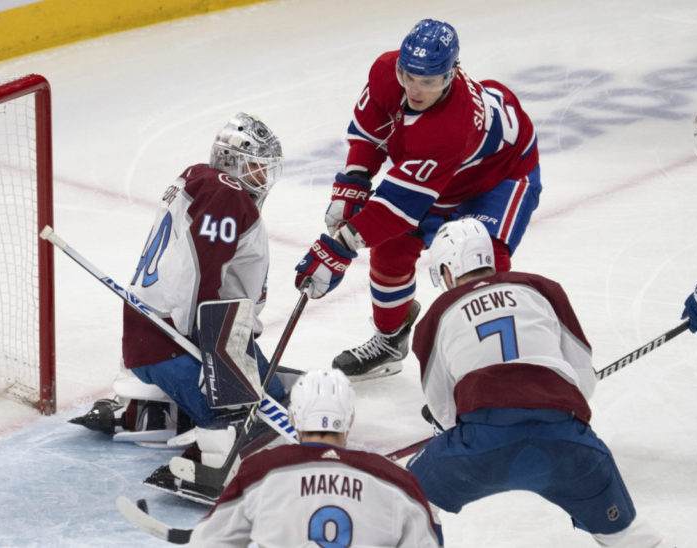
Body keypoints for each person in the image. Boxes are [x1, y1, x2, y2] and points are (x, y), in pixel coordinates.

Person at [294, 18, 541, 382]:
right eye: (408, 76)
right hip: (441, 176)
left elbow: (397, 208)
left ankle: (493, 372)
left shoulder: (451, 128)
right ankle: (391, 342)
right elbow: (368, 131)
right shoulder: (384, 72)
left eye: (428, 81)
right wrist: (354, 182)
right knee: (390, 254)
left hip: (499, 174)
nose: (415, 89)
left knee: (479, 265)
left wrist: (338, 247)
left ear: (452, 75)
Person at [405, 217, 666, 546]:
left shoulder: (437, 314)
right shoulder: (541, 288)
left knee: (408, 498)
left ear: (448, 269)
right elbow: (583, 375)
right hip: (567, 440)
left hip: (483, 445)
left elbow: (443, 410)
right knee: (627, 534)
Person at [72, 113, 289, 467]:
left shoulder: (199, 177)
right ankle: (156, 414)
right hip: (176, 340)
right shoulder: (227, 196)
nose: (263, 178)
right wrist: (211, 354)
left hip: (161, 334)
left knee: (274, 395)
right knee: (250, 419)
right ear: (232, 161)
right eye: (255, 167)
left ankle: (153, 410)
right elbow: (195, 272)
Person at [187, 369, 443, 547]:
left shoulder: (261, 470)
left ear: (294, 419)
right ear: (349, 420)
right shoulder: (395, 480)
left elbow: (209, 542)